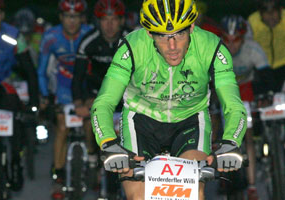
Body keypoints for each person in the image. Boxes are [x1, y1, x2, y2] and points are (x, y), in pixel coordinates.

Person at [90, 0, 248, 199]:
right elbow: (103, 102)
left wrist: (231, 142)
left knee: (194, 192)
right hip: (141, 121)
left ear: (191, 27)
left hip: (189, 121)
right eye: (162, 36)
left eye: (179, 34)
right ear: (149, 32)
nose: (172, 46)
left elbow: (233, 105)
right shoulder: (132, 47)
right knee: (137, 195)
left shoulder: (212, 47)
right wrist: (108, 143)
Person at [71, 0, 130, 198]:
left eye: (114, 20)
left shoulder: (132, 40)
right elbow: (78, 77)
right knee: (90, 120)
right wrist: (79, 102)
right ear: (98, 22)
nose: (110, 25)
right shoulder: (89, 41)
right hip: (97, 95)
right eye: (105, 20)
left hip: (126, 97)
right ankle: (92, 158)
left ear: (122, 21)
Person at [37, 0, 92, 198]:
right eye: (68, 17)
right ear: (61, 17)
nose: (71, 21)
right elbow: (41, 71)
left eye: (76, 17)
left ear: (81, 18)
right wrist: (44, 96)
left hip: (85, 85)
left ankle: (93, 162)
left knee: (90, 124)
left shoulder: (90, 32)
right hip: (63, 85)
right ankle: (58, 176)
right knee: (61, 124)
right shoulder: (51, 37)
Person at [0, 0, 39, 191]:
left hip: (1, 87)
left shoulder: (13, 36)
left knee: (16, 116)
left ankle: (15, 162)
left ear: (2, 16)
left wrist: (33, 106)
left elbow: (30, 72)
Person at [220, 15, 275, 200]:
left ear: (243, 39)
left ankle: (252, 186)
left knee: (247, 133)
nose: (232, 45)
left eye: (236, 40)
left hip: (247, 87)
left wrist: (266, 96)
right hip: (225, 88)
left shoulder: (253, 49)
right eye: (227, 40)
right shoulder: (217, 51)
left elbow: (266, 76)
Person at [248, 0, 285, 92]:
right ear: (260, 13)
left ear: (280, 10)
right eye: (266, 12)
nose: (270, 16)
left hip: (283, 63)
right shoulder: (252, 22)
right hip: (261, 67)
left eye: (274, 11)